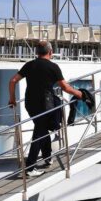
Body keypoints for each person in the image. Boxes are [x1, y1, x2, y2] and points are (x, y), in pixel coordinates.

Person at [8, 40, 83, 176]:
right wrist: (78, 93)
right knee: (40, 131)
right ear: (50, 52)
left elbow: (13, 81)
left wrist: (12, 99)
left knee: (41, 128)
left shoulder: (29, 65)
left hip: (30, 103)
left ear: (37, 53)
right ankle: (30, 168)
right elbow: (65, 87)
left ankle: (47, 158)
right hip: (45, 103)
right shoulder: (53, 67)